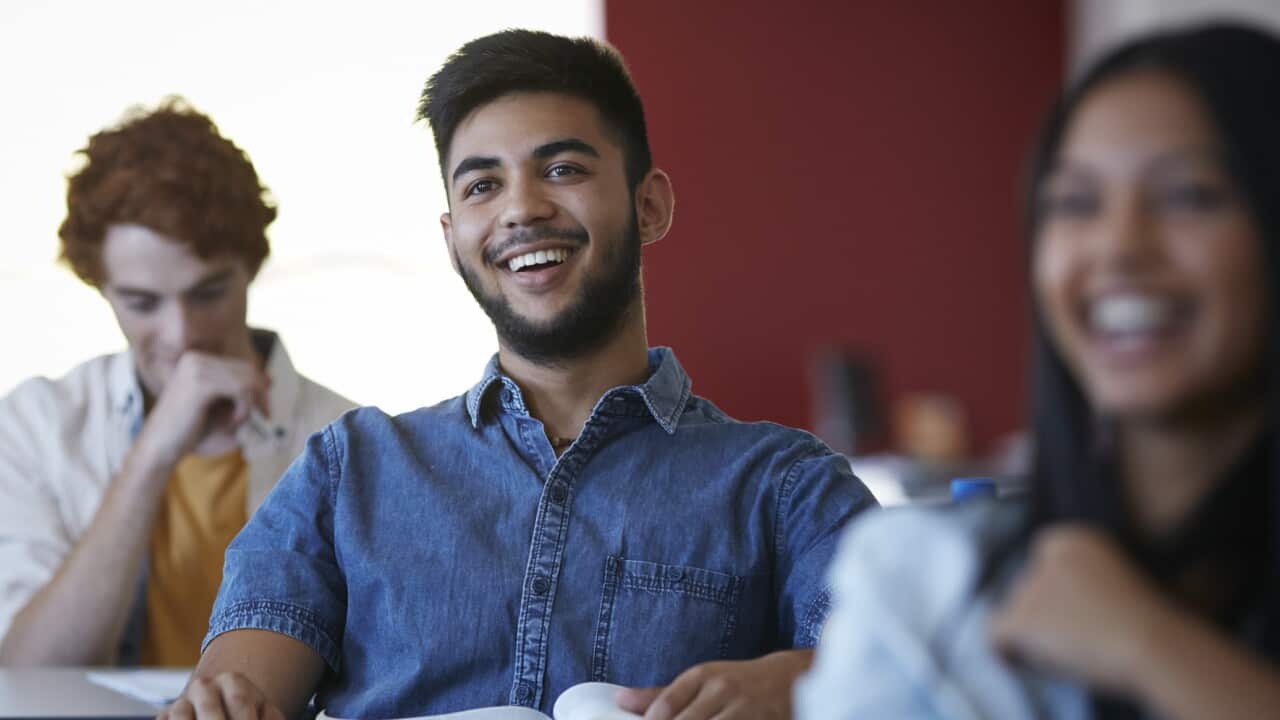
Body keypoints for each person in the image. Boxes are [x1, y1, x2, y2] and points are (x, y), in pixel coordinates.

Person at [162, 29, 875, 720]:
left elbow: (905, 662)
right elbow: (238, 693)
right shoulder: (348, 471)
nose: (522, 209)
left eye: (563, 170)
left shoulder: (787, 486)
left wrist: (799, 683)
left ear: (649, 205)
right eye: (482, 185)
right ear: (453, 240)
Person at [796, 23, 1280, 719]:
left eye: (1188, 195)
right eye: (1076, 203)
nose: (1118, 247)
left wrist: (1146, 643)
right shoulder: (924, 589)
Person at [0, 99, 356, 667]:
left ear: (251, 267)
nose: (182, 334)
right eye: (142, 303)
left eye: (208, 293)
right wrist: (152, 454)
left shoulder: (347, 440)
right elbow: (31, 676)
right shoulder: (36, 426)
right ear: (99, 287)